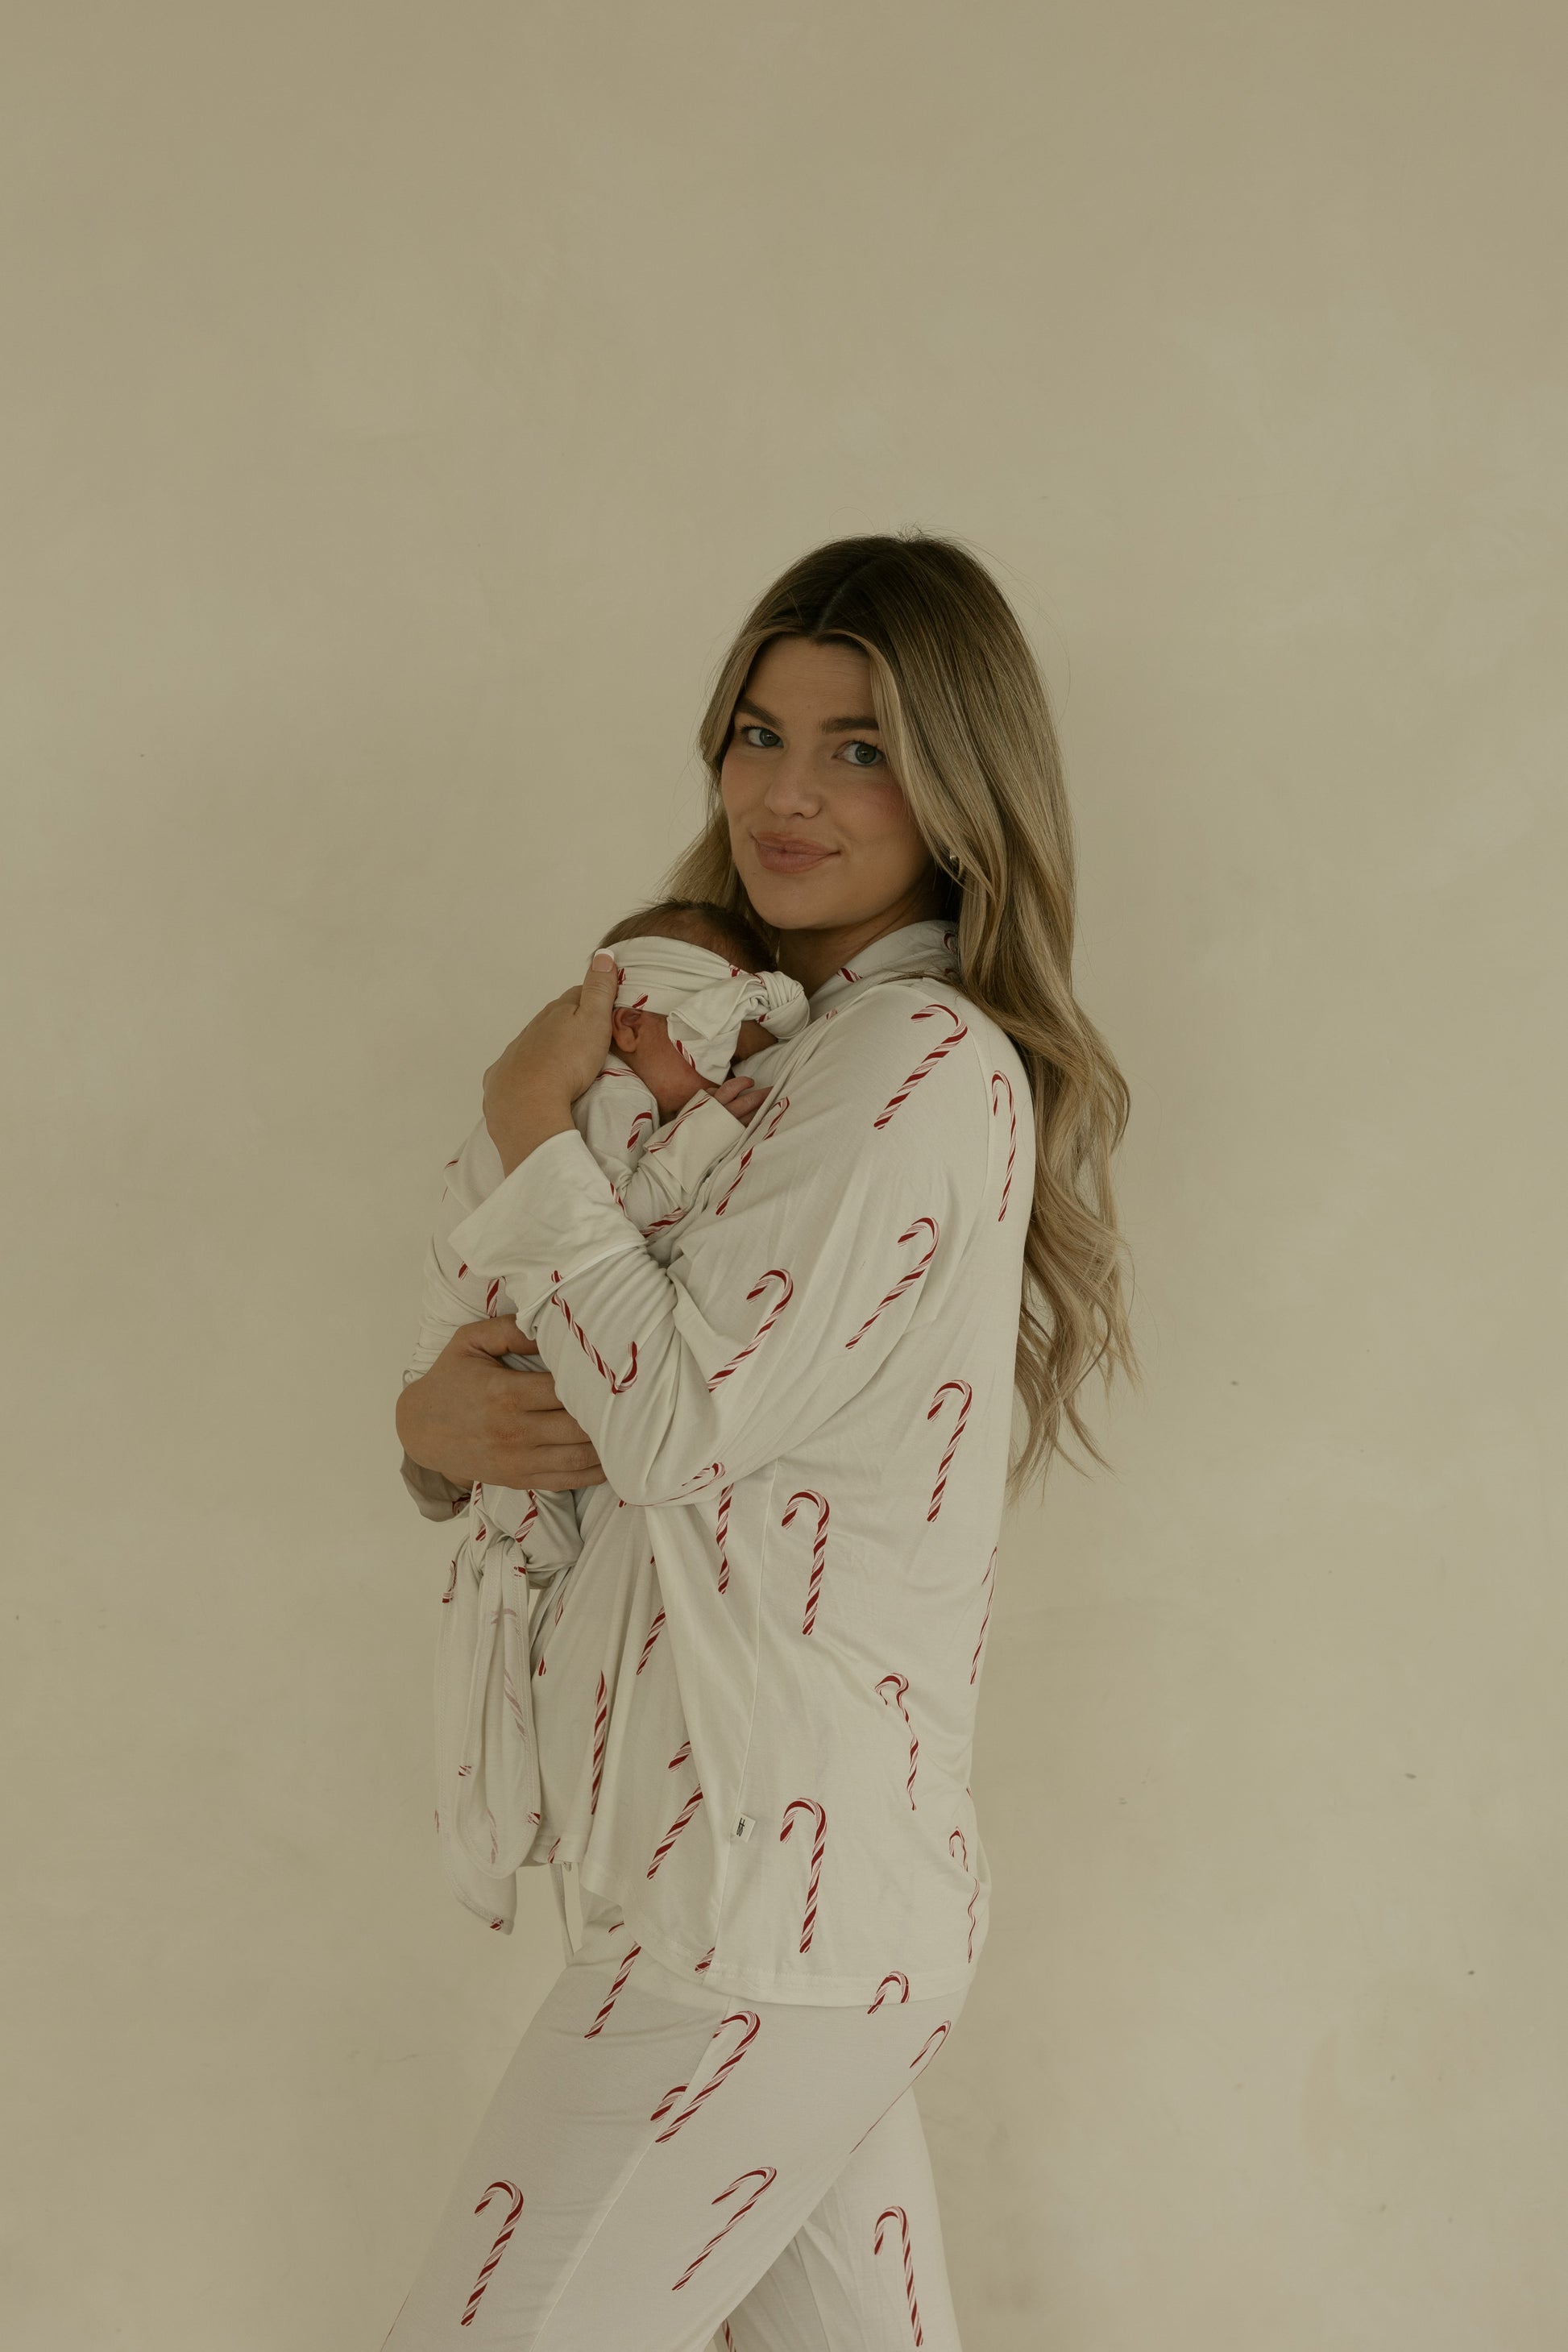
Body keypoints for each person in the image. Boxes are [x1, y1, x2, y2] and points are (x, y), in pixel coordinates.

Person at [386, 531, 1138, 2351]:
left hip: (761, 1923)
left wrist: (526, 1122)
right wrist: (433, 1428)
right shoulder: (762, 1049)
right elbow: (581, 1389)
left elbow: (669, 1415)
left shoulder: (922, 1068)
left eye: (861, 747)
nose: (787, 793)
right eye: (759, 732)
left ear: (961, 785)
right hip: (763, 1900)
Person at [400, 899, 810, 1930]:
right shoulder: (601, 1107)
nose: (722, 1083)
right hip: (524, 1379)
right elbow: (610, 1217)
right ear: (626, 1024)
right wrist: (715, 1123)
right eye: (715, 1054)